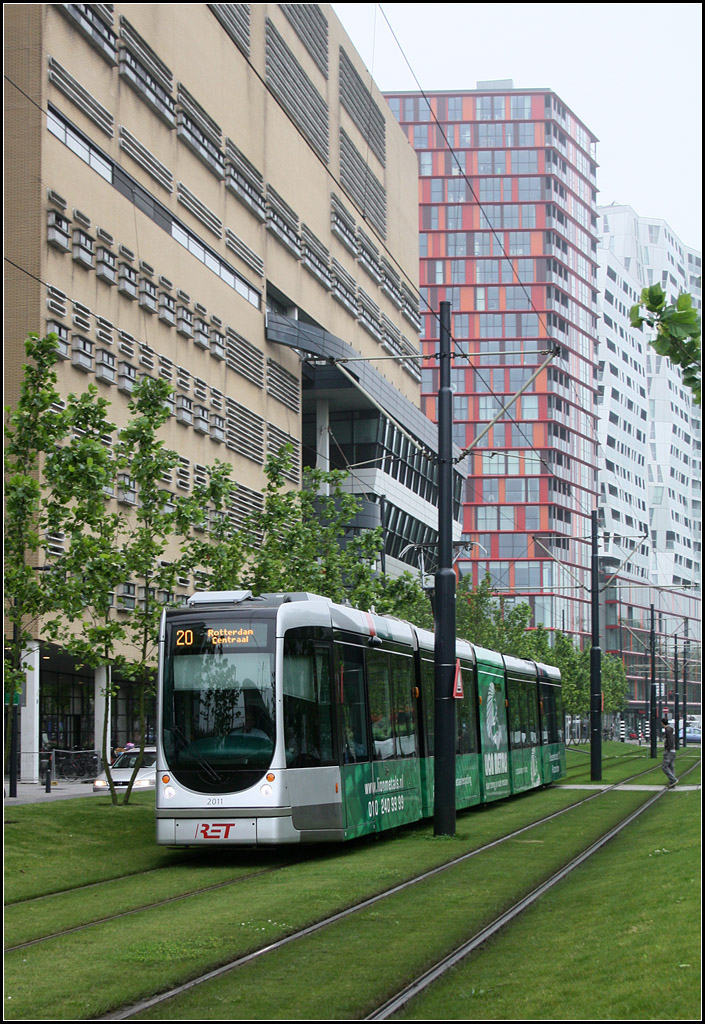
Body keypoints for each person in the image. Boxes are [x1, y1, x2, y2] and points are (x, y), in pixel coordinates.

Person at [661, 716, 677, 787]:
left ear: (662, 723)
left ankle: (673, 780)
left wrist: (668, 748)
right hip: (673, 750)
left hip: (669, 751)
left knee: (664, 767)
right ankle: (672, 782)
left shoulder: (667, 730)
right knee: (671, 766)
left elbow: (669, 740)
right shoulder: (670, 729)